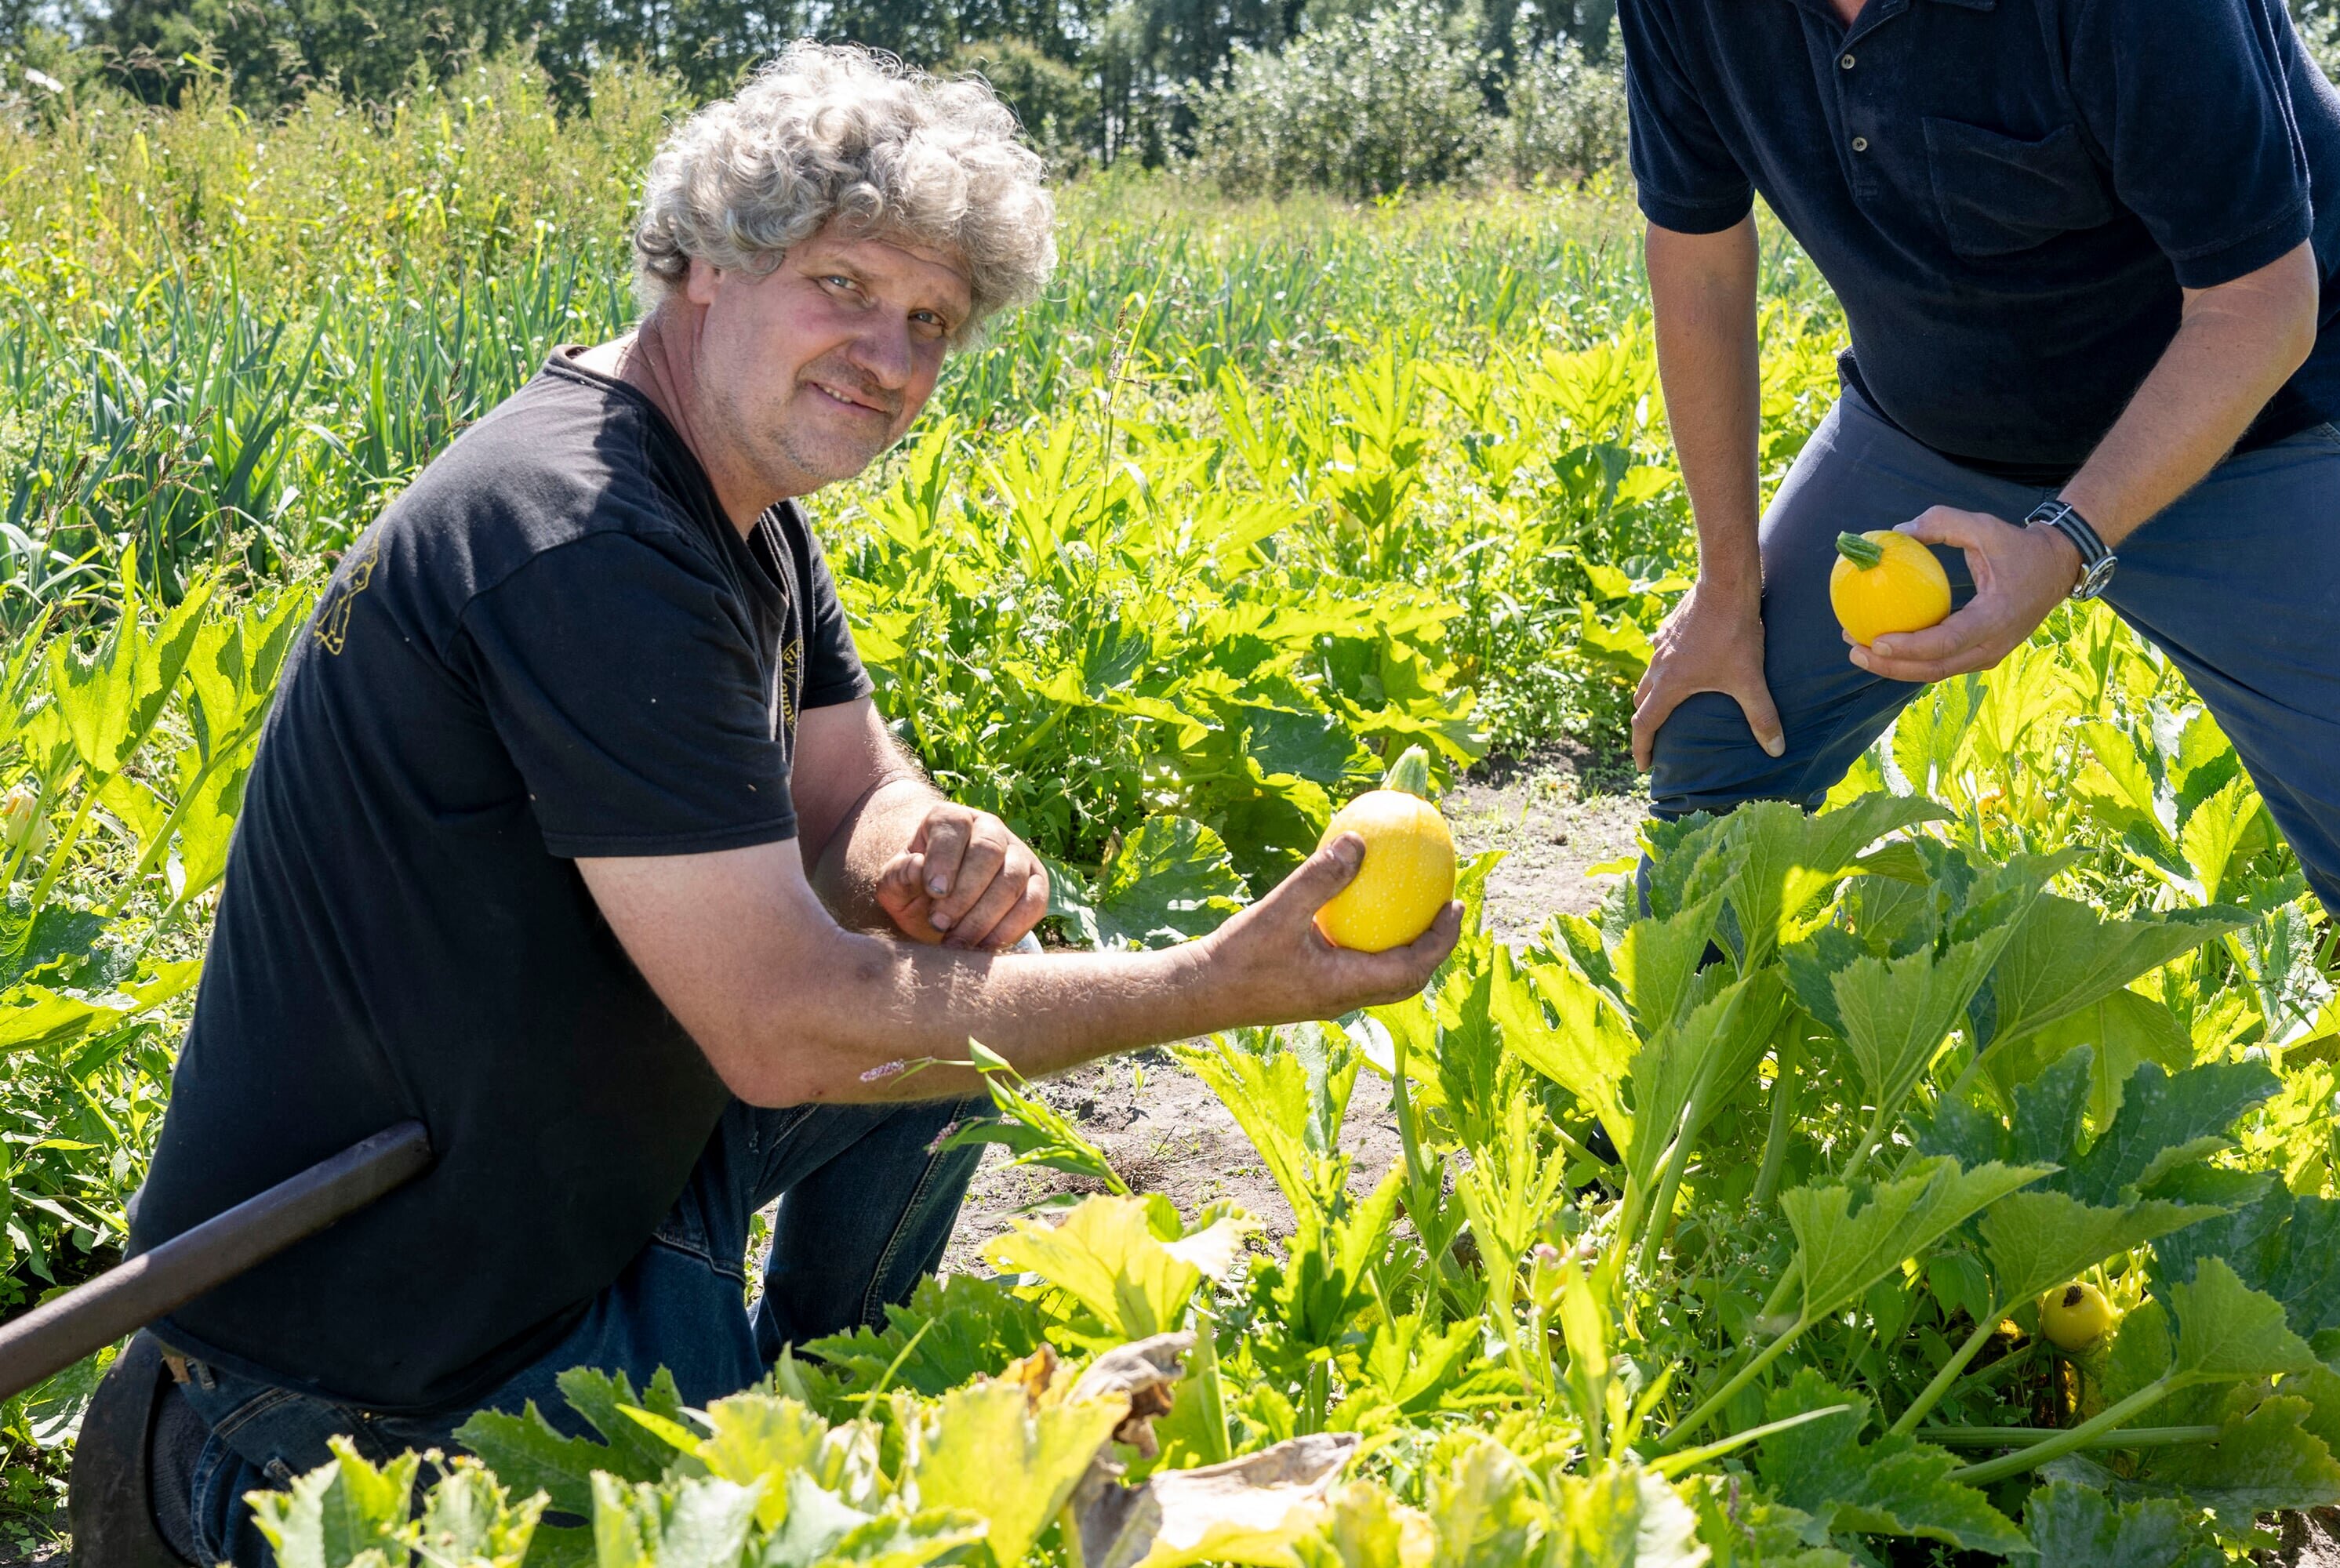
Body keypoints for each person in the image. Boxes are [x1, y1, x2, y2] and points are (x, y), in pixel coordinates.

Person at [124, 43, 1458, 1568]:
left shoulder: (733, 512)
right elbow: (775, 1023)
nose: (885, 356)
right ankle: (822, 1476)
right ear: (704, 261)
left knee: (955, 1001)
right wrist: (1202, 987)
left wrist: (921, 846)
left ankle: (832, 1397)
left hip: (569, 1198)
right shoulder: (581, 537)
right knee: (920, 1020)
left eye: (930, 323)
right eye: (843, 284)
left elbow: (852, 786)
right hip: (361, 1383)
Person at [1614, 0, 2340, 1563]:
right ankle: (1669, 1229)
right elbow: (1697, 257)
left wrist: (2065, 545)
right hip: (1930, 416)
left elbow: (2257, 304)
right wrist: (1721, 582)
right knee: (1709, 739)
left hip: (2243, 422)